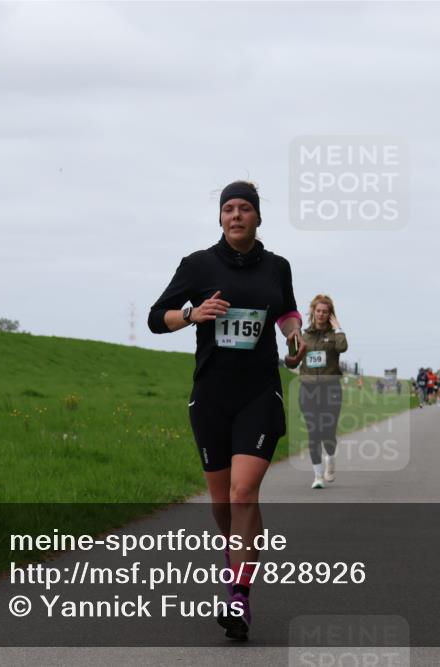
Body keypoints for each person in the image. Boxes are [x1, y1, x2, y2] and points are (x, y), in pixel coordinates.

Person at [148, 180, 305, 641]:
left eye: (245, 209)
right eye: (229, 209)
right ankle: (234, 557)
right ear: (220, 218)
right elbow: (159, 317)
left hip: (260, 393)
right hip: (212, 396)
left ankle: (238, 594)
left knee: (242, 493)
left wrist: (294, 341)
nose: (236, 216)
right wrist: (193, 314)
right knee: (222, 502)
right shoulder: (197, 265)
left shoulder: (278, 266)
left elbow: (288, 313)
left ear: (258, 217)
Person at [298, 295, 348, 489]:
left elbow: (343, 347)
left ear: (330, 315)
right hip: (308, 389)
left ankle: (331, 459)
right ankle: (317, 476)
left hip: (331, 389)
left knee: (328, 432)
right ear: (313, 312)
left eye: (325, 312)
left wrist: (338, 327)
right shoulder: (304, 335)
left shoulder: (335, 335)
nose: (321, 314)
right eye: (318, 311)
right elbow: (293, 355)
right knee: (313, 432)